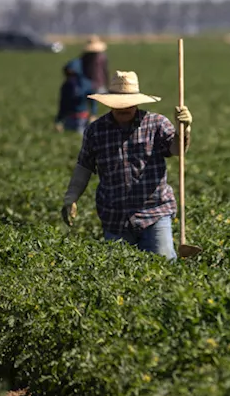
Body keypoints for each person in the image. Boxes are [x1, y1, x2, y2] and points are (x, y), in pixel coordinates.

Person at [60, 70, 193, 260]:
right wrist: (71, 197)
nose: (124, 109)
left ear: (137, 102)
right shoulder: (96, 130)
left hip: (154, 212)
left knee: (163, 268)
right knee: (118, 274)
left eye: (128, 105)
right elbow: (84, 166)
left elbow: (177, 149)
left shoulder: (156, 124)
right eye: (118, 105)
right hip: (115, 217)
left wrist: (185, 129)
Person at [54, 58, 94, 134]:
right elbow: (63, 104)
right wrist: (59, 120)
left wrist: (93, 114)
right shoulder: (66, 86)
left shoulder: (86, 84)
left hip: (82, 118)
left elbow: (92, 101)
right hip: (69, 118)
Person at [80, 35, 111, 115]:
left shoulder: (101, 57)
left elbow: (105, 70)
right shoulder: (86, 57)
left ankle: (94, 115)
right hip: (91, 82)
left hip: (96, 82)